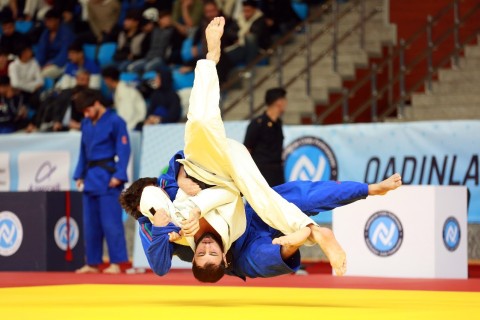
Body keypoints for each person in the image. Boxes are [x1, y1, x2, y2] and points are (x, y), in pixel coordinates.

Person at [136, 17, 347, 280]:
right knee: (262, 199)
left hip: (200, 164)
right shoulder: (232, 230)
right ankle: (316, 231)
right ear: (224, 257)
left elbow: (148, 199)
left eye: (201, 255)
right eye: (212, 255)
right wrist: (199, 208)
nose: (206, 249)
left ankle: (211, 56)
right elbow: (227, 193)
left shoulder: (179, 232)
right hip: (229, 172)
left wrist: (163, 219)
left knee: (200, 121)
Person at [120, 154, 402, 282]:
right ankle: (298, 239)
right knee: (265, 258)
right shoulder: (153, 221)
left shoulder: (169, 182)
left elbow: (185, 160)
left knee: (302, 196)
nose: (163, 195)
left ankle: (368, 191)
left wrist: (182, 176)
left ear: (158, 185)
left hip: (246, 211)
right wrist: (160, 227)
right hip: (236, 251)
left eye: (161, 189)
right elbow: (158, 267)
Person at [73, 88, 130, 274]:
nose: (87, 114)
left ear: (97, 103)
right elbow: (83, 150)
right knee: (91, 225)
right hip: (90, 178)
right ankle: (92, 263)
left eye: (88, 109)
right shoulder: (86, 123)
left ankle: (116, 262)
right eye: (84, 112)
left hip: (108, 178)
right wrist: (79, 174)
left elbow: (123, 150)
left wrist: (119, 175)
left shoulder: (115, 121)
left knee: (111, 223)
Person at [244, 87, 287, 187]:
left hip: (277, 172)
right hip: (261, 172)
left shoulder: (278, 123)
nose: (286, 103)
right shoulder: (257, 123)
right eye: (284, 100)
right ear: (279, 102)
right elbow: (247, 149)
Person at [101, 66, 147, 130]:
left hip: (134, 126)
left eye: (105, 80)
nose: (105, 83)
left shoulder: (124, 92)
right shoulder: (118, 91)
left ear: (108, 79)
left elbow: (127, 116)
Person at [35, 9, 75, 79]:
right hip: (46, 63)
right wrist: (39, 64)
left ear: (57, 20)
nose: (48, 24)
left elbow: (64, 54)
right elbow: (41, 50)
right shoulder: (46, 33)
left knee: (42, 74)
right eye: (46, 21)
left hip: (62, 64)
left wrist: (51, 63)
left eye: (50, 21)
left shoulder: (66, 33)